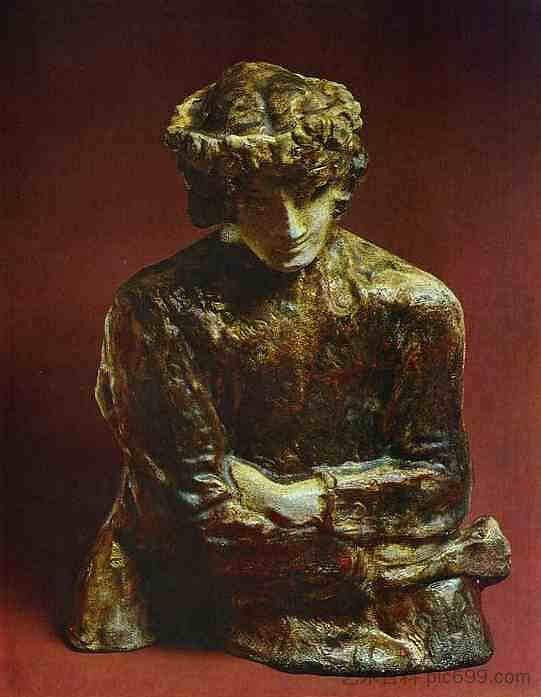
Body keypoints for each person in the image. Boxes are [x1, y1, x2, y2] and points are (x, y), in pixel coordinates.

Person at [67, 62, 509, 674]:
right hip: (219, 555)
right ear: (220, 198)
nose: (290, 227)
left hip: (343, 538)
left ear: (342, 184)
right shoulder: (158, 308)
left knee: (445, 621)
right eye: (256, 200)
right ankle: (397, 577)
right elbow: (198, 500)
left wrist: (308, 498)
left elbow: (442, 483)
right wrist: (362, 559)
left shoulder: (413, 306)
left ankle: (397, 578)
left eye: (309, 194)